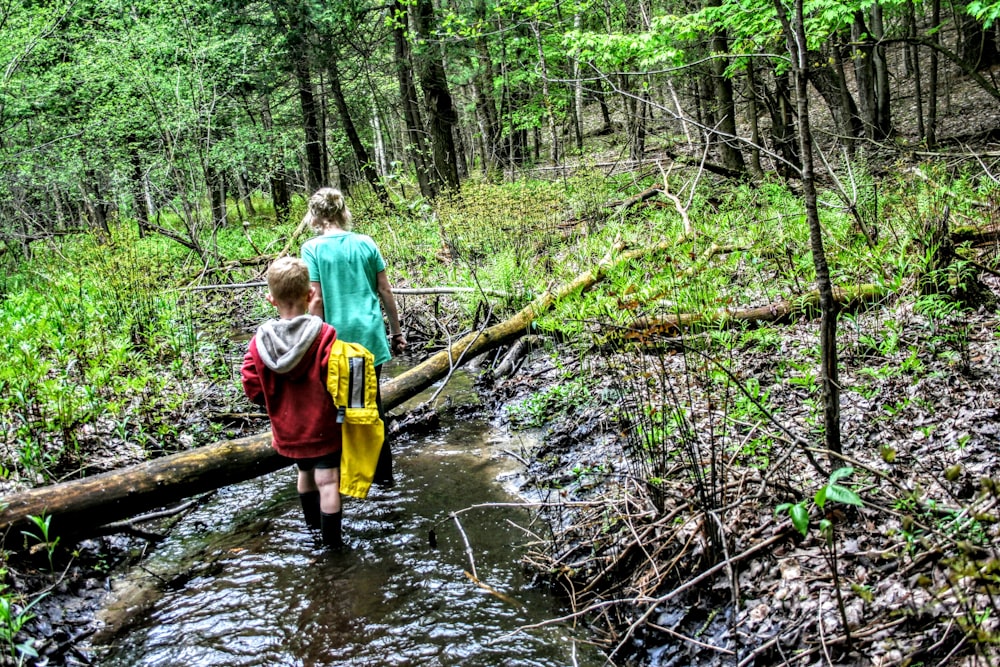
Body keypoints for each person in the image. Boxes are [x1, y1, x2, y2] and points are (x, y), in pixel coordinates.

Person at [301, 187, 406, 487]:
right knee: (369, 405)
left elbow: (316, 301)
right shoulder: (366, 243)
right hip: (370, 337)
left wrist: (314, 343)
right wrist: (396, 333)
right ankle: (380, 477)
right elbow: (385, 291)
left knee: (343, 409)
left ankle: (358, 480)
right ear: (341, 211)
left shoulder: (313, 249)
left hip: (336, 342)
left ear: (316, 216)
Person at [241, 256, 345, 549]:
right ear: (310, 294)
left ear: (270, 299)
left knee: (304, 473)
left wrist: (270, 403)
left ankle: (311, 532)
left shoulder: (260, 341)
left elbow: (249, 379)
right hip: (324, 426)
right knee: (329, 482)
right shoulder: (324, 334)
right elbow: (338, 378)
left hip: (288, 428)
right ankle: (333, 548)